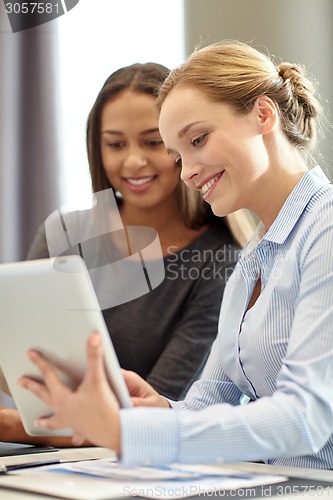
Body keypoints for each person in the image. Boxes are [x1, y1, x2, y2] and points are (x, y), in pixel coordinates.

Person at [19, 39, 333, 470]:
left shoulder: (326, 228)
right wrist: (160, 409)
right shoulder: (255, 257)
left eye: (198, 140)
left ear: (264, 114)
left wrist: (125, 431)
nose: (187, 173)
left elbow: (305, 420)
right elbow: (213, 399)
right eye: (178, 156)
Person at [0, 61, 249, 445]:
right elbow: (16, 364)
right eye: (116, 144)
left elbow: (161, 410)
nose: (133, 161)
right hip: (48, 453)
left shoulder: (220, 259)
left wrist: (14, 426)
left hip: (140, 457)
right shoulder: (66, 233)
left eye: (152, 143)